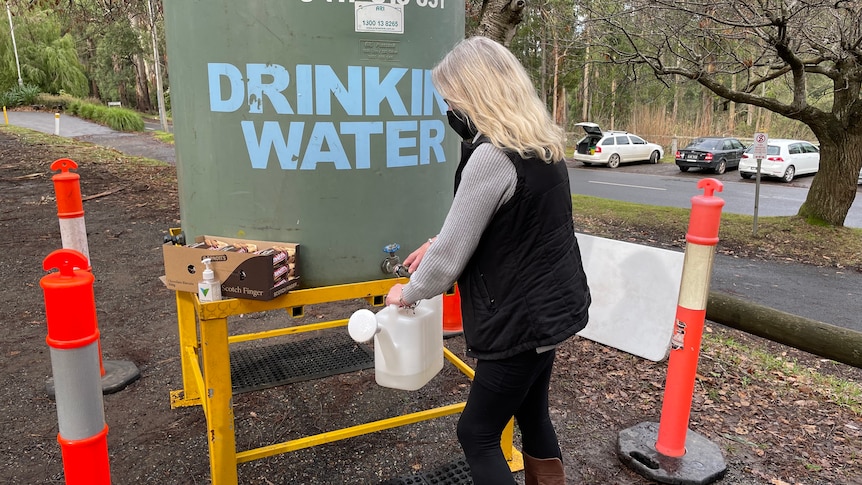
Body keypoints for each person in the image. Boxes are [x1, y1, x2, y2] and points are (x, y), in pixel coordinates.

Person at [384, 36, 591, 485]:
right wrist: (440, 238)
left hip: (519, 321)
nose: (450, 110)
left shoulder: (491, 156)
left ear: (474, 94)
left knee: (476, 433)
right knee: (532, 415)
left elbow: (445, 265)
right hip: (553, 310)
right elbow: (516, 223)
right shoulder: (543, 145)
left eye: (451, 99)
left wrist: (407, 292)